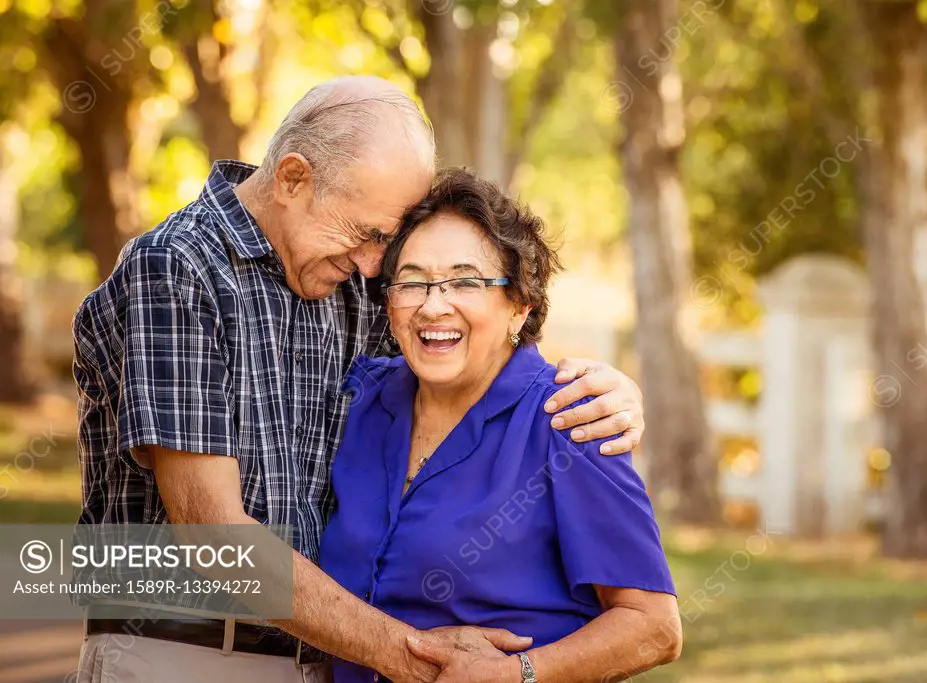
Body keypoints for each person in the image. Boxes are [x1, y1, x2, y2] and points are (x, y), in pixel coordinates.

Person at [72, 76, 649, 683]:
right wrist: (422, 660)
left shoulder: (345, 276)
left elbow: (465, 347)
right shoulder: (176, 268)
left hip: (324, 660)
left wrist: (601, 391)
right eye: (369, 234)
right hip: (188, 655)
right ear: (293, 178)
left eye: (389, 242)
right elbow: (213, 532)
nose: (377, 266)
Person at [320, 168, 681, 683]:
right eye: (413, 281)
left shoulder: (570, 418)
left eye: (466, 281)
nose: (433, 304)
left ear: (520, 304)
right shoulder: (361, 398)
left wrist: (520, 674)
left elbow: (654, 627)